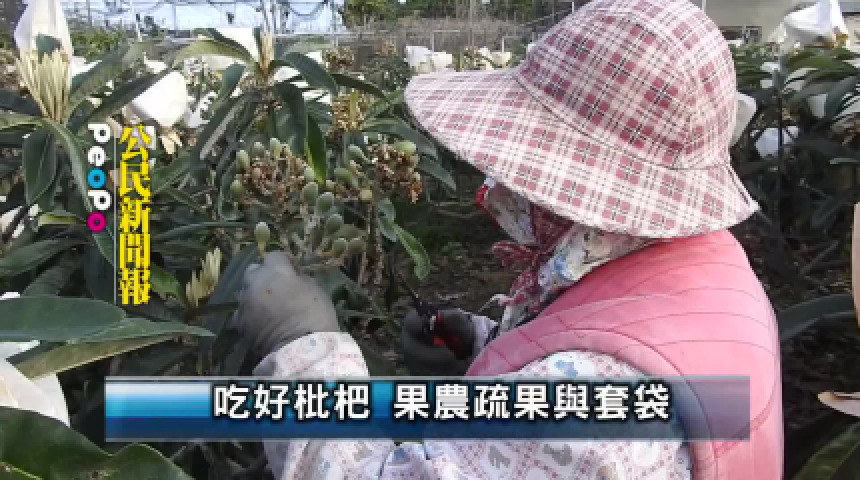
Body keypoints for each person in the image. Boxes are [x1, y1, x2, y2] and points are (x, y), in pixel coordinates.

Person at [231, 0, 784, 478]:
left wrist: (299, 347)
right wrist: (488, 346)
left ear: (575, 183)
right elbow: (612, 331)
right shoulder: (707, 268)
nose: (503, 181)